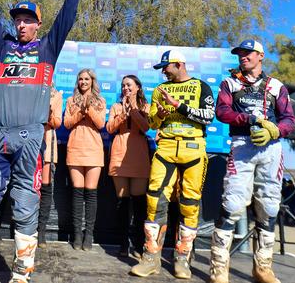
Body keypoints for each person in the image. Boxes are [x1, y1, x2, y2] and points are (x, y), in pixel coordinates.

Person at [0, 0, 84, 283]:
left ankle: (22, 273)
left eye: (27, 20)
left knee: (25, 205)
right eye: (17, 19)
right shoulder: (3, 47)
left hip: (31, 138)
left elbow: (68, 14)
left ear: (38, 25)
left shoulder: (48, 48)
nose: (21, 24)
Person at [209, 39, 295, 283]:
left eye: (248, 53)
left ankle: (263, 268)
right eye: (240, 54)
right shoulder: (230, 83)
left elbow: (290, 119)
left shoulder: (276, 86)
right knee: (234, 203)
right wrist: (250, 120)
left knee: (269, 206)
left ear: (260, 56)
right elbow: (222, 112)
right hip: (242, 146)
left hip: (271, 148)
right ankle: (218, 269)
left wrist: (275, 131)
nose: (243, 57)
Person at [131, 50, 215, 279]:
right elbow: (151, 123)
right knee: (154, 200)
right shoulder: (160, 90)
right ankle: (150, 258)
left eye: (166, 67)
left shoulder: (201, 87)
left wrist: (179, 106)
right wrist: (160, 115)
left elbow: (208, 117)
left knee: (189, 204)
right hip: (166, 147)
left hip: (193, 149)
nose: (164, 71)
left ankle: (182, 260)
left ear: (179, 64)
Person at [106, 75, 151, 257]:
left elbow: (146, 127)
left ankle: (139, 245)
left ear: (138, 88)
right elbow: (110, 128)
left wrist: (133, 110)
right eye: (123, 85)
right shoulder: (116, 107)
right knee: (122, 202)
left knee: (139, 203)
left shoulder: (146, 107)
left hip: (139, 153)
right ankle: (123, 244)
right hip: (119, 152)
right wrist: (123, 114)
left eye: (129, 85)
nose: (125, 88)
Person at [63, 69, 106, 251]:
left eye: (86, 79)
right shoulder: (71, 100)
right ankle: (77, 235)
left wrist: (88, 108)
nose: (83, 82)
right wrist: (80, 112)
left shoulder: (100, 101)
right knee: (77, 193)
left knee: (91, 193)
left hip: (94, 150)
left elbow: (100, 123)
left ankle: (89, 234)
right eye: (80, 79)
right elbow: (67, 123)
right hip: (75, 148)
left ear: (92, 81)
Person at [37, 85, 63, 248]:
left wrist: (48, 113)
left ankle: (41, 232)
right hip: (29, 139)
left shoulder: (56, 95)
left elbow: (58, 122)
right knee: (27, 186)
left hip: (47, 140)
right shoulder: (31, 88)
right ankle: (26, 227)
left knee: (45, 187)